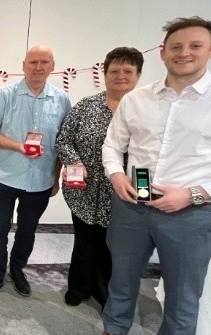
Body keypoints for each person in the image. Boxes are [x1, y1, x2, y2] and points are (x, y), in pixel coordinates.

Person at [90, 17, 211, 335]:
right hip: (133, 202)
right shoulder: (136, 99)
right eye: (176, 46)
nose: (184, 53)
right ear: (162, 52)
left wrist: (191, 194)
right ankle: (114, 330)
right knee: (122, 275)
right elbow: (112, 145)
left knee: (183, 290)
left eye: (195, 46)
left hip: (190, 212)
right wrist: (116, 174)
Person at [54, 45, 145, 307]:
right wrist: (74, 162)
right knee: (84, 241)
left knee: (112, 246)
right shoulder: (86, 106)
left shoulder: (146, 111)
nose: (120, 75)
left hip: (123, 193)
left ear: (138, 75)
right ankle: (79, 287)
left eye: (128, 71)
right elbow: (64, 140)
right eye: (114, 70)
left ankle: (105, 291)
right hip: (82, 189)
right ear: (105, 74)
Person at [0, 45, 69, 301]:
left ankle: (17, 269)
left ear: (53, 66)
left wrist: (55, 176)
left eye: (44, 62)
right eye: (33, 62)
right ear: (23, 65)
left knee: (28, 230)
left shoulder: (61, 100)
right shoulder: (6, 96)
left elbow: (62, 143)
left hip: (40, 180)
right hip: (5, 177)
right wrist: (18, 146)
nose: (38, 67)